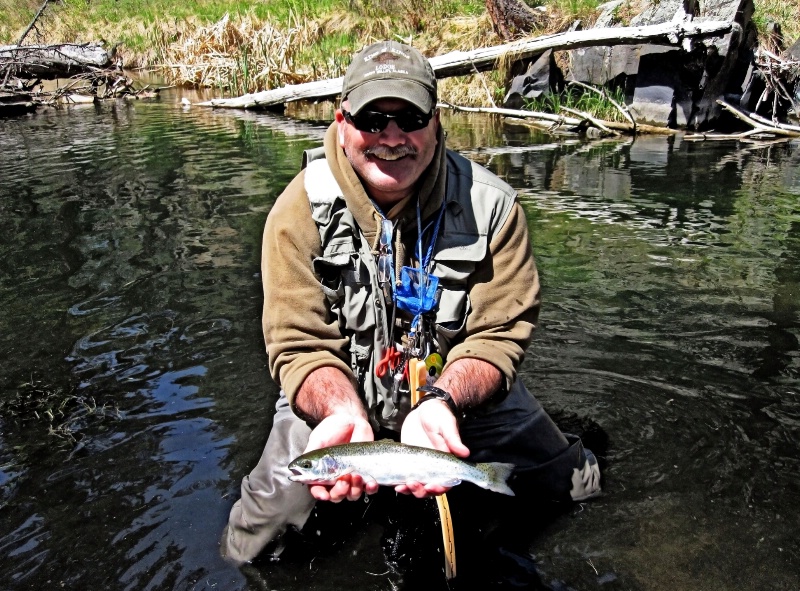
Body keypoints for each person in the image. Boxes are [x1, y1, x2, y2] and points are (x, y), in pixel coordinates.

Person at [221, 40, 601, 564]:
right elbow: (297, 345)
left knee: (574, 488)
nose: (392, 138)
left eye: (410, 118)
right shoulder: (296, 212)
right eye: (373, 119)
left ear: (437, 120)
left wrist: (444, 400)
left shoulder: (492, 208)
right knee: (252, 544)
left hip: (454, 394)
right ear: (342, 120)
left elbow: (498, 335)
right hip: (339, 402)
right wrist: (340, 410)